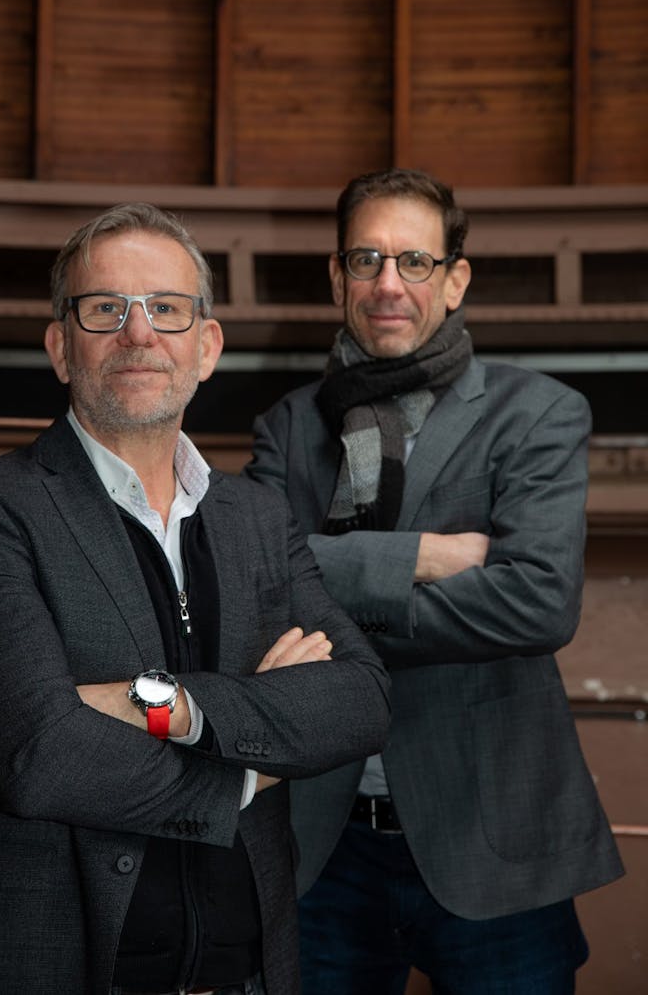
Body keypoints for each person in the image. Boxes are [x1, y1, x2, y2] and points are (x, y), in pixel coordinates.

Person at [0, 203, 391, 995]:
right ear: (62, 348)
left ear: (207, 347)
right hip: (51, 966)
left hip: (247, 972)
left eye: (167, 309)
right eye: (106, 310)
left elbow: (362, 697)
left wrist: (156, 704)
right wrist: (246, 769)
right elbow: (37, 755)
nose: (140, 334)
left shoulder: (259, 518)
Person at [244, 168, 624, 994]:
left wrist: (330, 593)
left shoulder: (539, 414)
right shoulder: (285, 427)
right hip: (323, 845)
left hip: (494, 842)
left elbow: (538, 603)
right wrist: (426, 556)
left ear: (454, 281)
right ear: (337, 276)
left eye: (415, 262)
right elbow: (256, 592)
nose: (389, 284)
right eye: (367, 258)